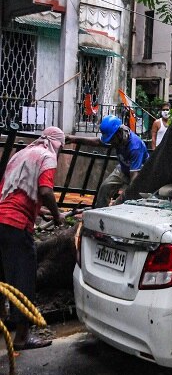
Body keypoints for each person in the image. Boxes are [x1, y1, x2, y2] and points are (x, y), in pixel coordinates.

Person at [0, 127, 65, 350]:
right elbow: (45, 192)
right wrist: (57, 216)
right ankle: (21, 337)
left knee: (2, 275)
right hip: (16, 224)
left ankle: (3, 324)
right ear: (57, 144)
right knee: (24, 278)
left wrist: (43, 212)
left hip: (1, 219)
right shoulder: (47, 157)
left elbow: (18, 191)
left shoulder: (21, 154)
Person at [66, 115, 149, 208]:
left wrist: (125, 196)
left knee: (124, 201)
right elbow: (97, 142)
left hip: (138, 174)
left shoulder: (135, 147)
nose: (110, 142)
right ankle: (100, 212)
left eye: (111, 139)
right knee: (105, 188)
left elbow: (134, 177)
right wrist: (74, 139)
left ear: (119, 133)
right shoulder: (117, 137)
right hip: (123, 168)